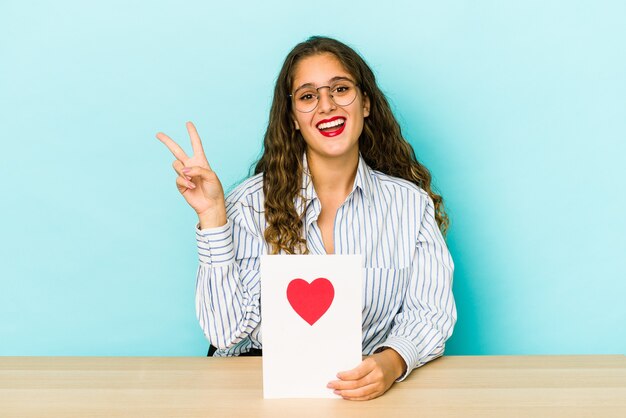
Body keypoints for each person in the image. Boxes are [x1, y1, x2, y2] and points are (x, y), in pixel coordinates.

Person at [156, 36, 456, 401]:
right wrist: (213, 217)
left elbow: (430, 313)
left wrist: (390, 364)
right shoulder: (249, 206)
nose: (326, 106)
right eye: (308, 96)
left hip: (364, 394)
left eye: (340, 89)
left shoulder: (411, 206)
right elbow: (226, 333)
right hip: (255, 390)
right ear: (294, 118)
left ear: (365, 104)